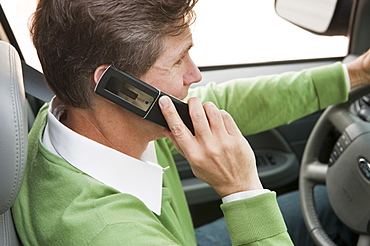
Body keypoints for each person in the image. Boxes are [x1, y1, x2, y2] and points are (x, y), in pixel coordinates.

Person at [11, 0, 370, 245]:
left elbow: (223, 105)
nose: (194, 75)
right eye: (179, 59)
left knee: (326, 202)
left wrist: (354, 75)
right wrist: (242, 190)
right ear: (116, 86)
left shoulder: (71, 116)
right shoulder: (108, 234)